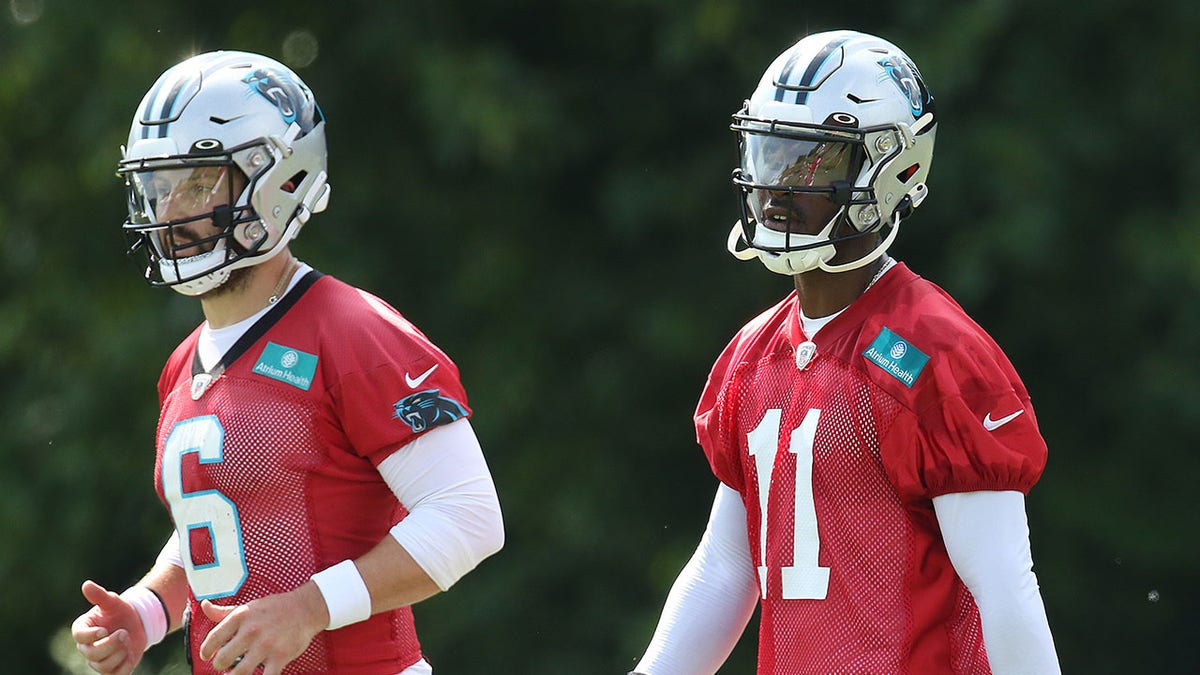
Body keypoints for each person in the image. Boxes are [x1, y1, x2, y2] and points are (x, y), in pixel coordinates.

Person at [631, 30, 1060, 674]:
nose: (777, 187)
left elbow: (1005, 586)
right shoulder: (756, 355)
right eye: (771, 154)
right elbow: (725, 570)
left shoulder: (928, 354)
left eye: (813, 163)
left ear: (897, 168)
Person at [71, 51, 504, 675]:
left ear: (278, 178)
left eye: (195, 184)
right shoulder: (183, 364)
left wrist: (309, 608)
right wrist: (146, 612)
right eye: (159, 188)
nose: (169, 214)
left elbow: (468, 515)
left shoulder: (355, 333)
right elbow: (230, 520)